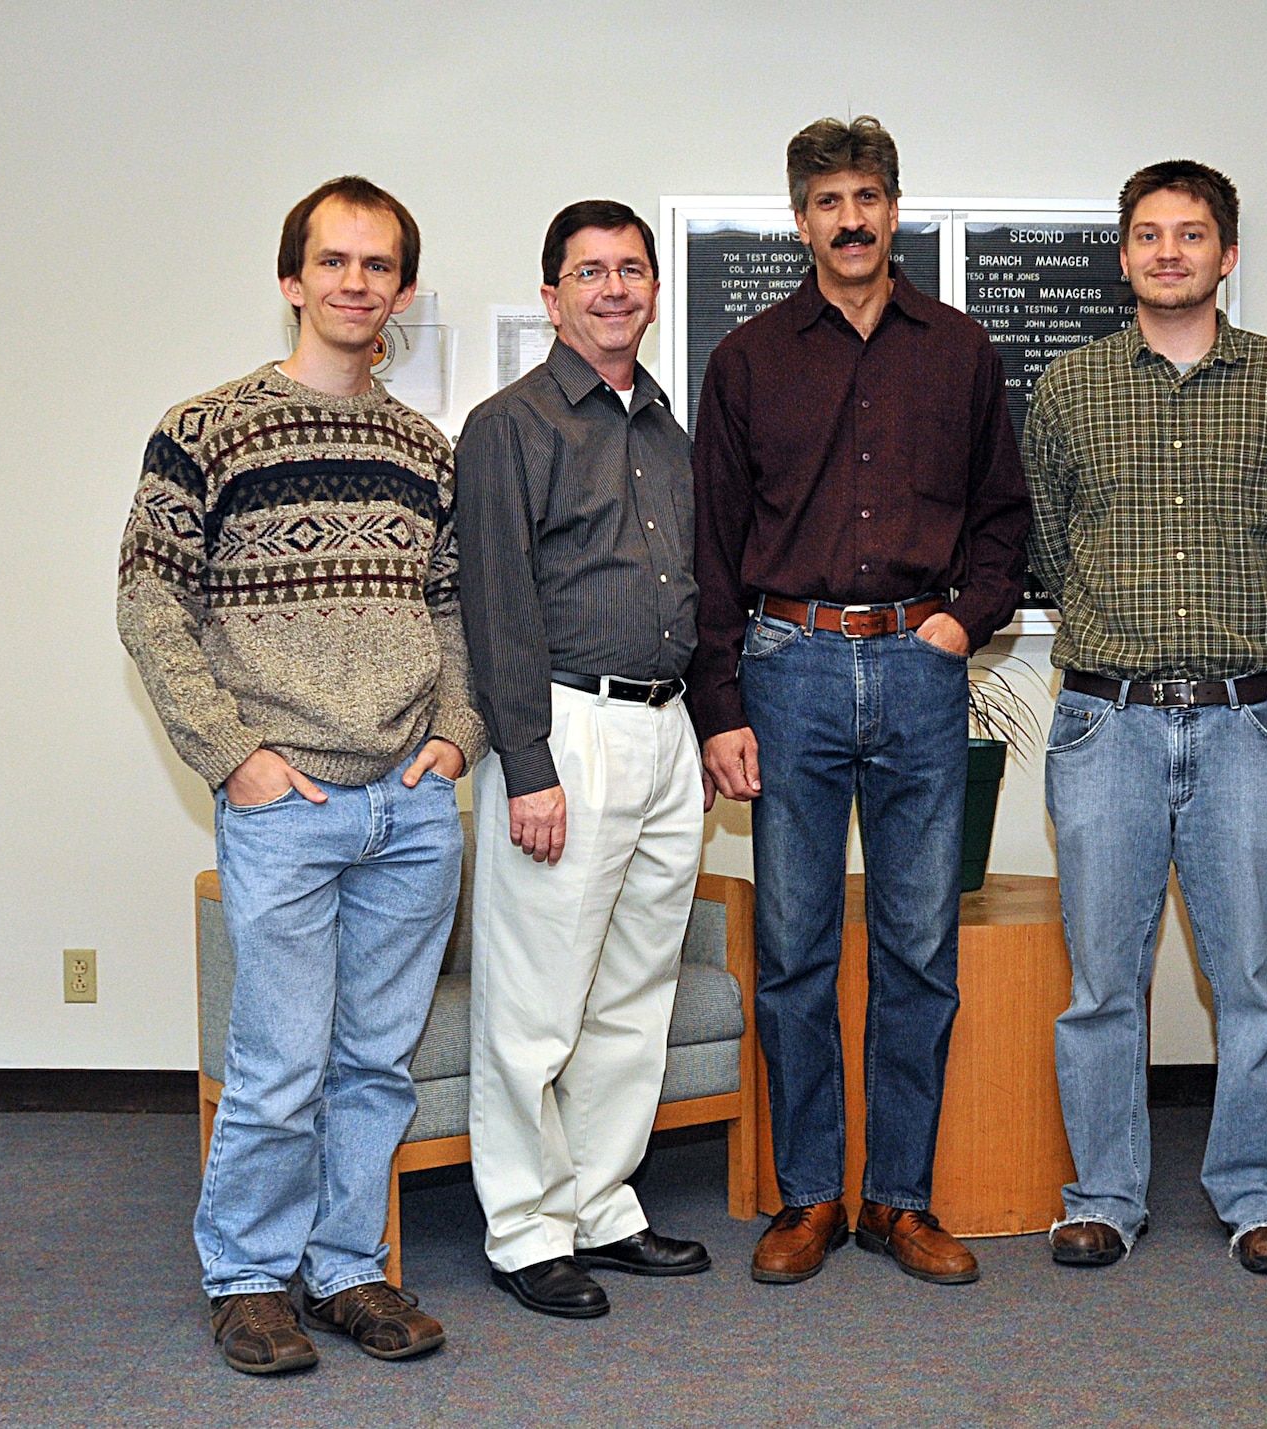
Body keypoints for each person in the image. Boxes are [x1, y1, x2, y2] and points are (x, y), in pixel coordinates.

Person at [118, 176, 485, 1374]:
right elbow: (149, 603)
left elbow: (452, 608)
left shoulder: (422, 448)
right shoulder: (204, 427)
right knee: (278, 1062)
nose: (355, 283)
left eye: (378, 266)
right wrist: (236, 758)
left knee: (376, 1060)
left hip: (411, 804)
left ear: (402, 292)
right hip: (288, 802)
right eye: (333, 261)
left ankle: (344, 1269)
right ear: (291, 280)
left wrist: (456, 738)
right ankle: (245, 1278)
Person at [690, 116, 1029, 1287]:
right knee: (790, 951)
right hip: (785, 669)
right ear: (799, 220)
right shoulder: (744, 359)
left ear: (895, 209)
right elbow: (713, 546)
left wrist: (960, 623)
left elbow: (1002, 518)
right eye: (827, 200)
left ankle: (899, 1200)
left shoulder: (961, 348)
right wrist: (721, 702)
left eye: (868, 197)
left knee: (917, 951)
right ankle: (808, 1196)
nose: (850, 219)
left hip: (920, 672)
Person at [1023, 161, 1267, 1273]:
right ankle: (1103, 1194)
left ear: (1226, 254)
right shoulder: (1065, 390)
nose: (1170, 252)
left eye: (1192, 234)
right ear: (1122, 255)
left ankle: (1258, 1189)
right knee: (1102, 982)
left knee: (1252, 977)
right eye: (1149, 235)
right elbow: (1046, 550)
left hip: (1246, 723)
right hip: (1103, 722)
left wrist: (1237, 630)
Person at [454, 201, 711, 1319]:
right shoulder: (508, 425)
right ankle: (522, 1226)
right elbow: (496, 604)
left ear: (653, 288)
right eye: (588, 273)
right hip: (566, 729)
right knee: (534, 1004)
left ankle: (602, 1202)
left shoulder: (663, 424)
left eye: (632, 269)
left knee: (632, 993)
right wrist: (528, 765)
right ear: (552, 295)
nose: (615, 289)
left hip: (666, 732)